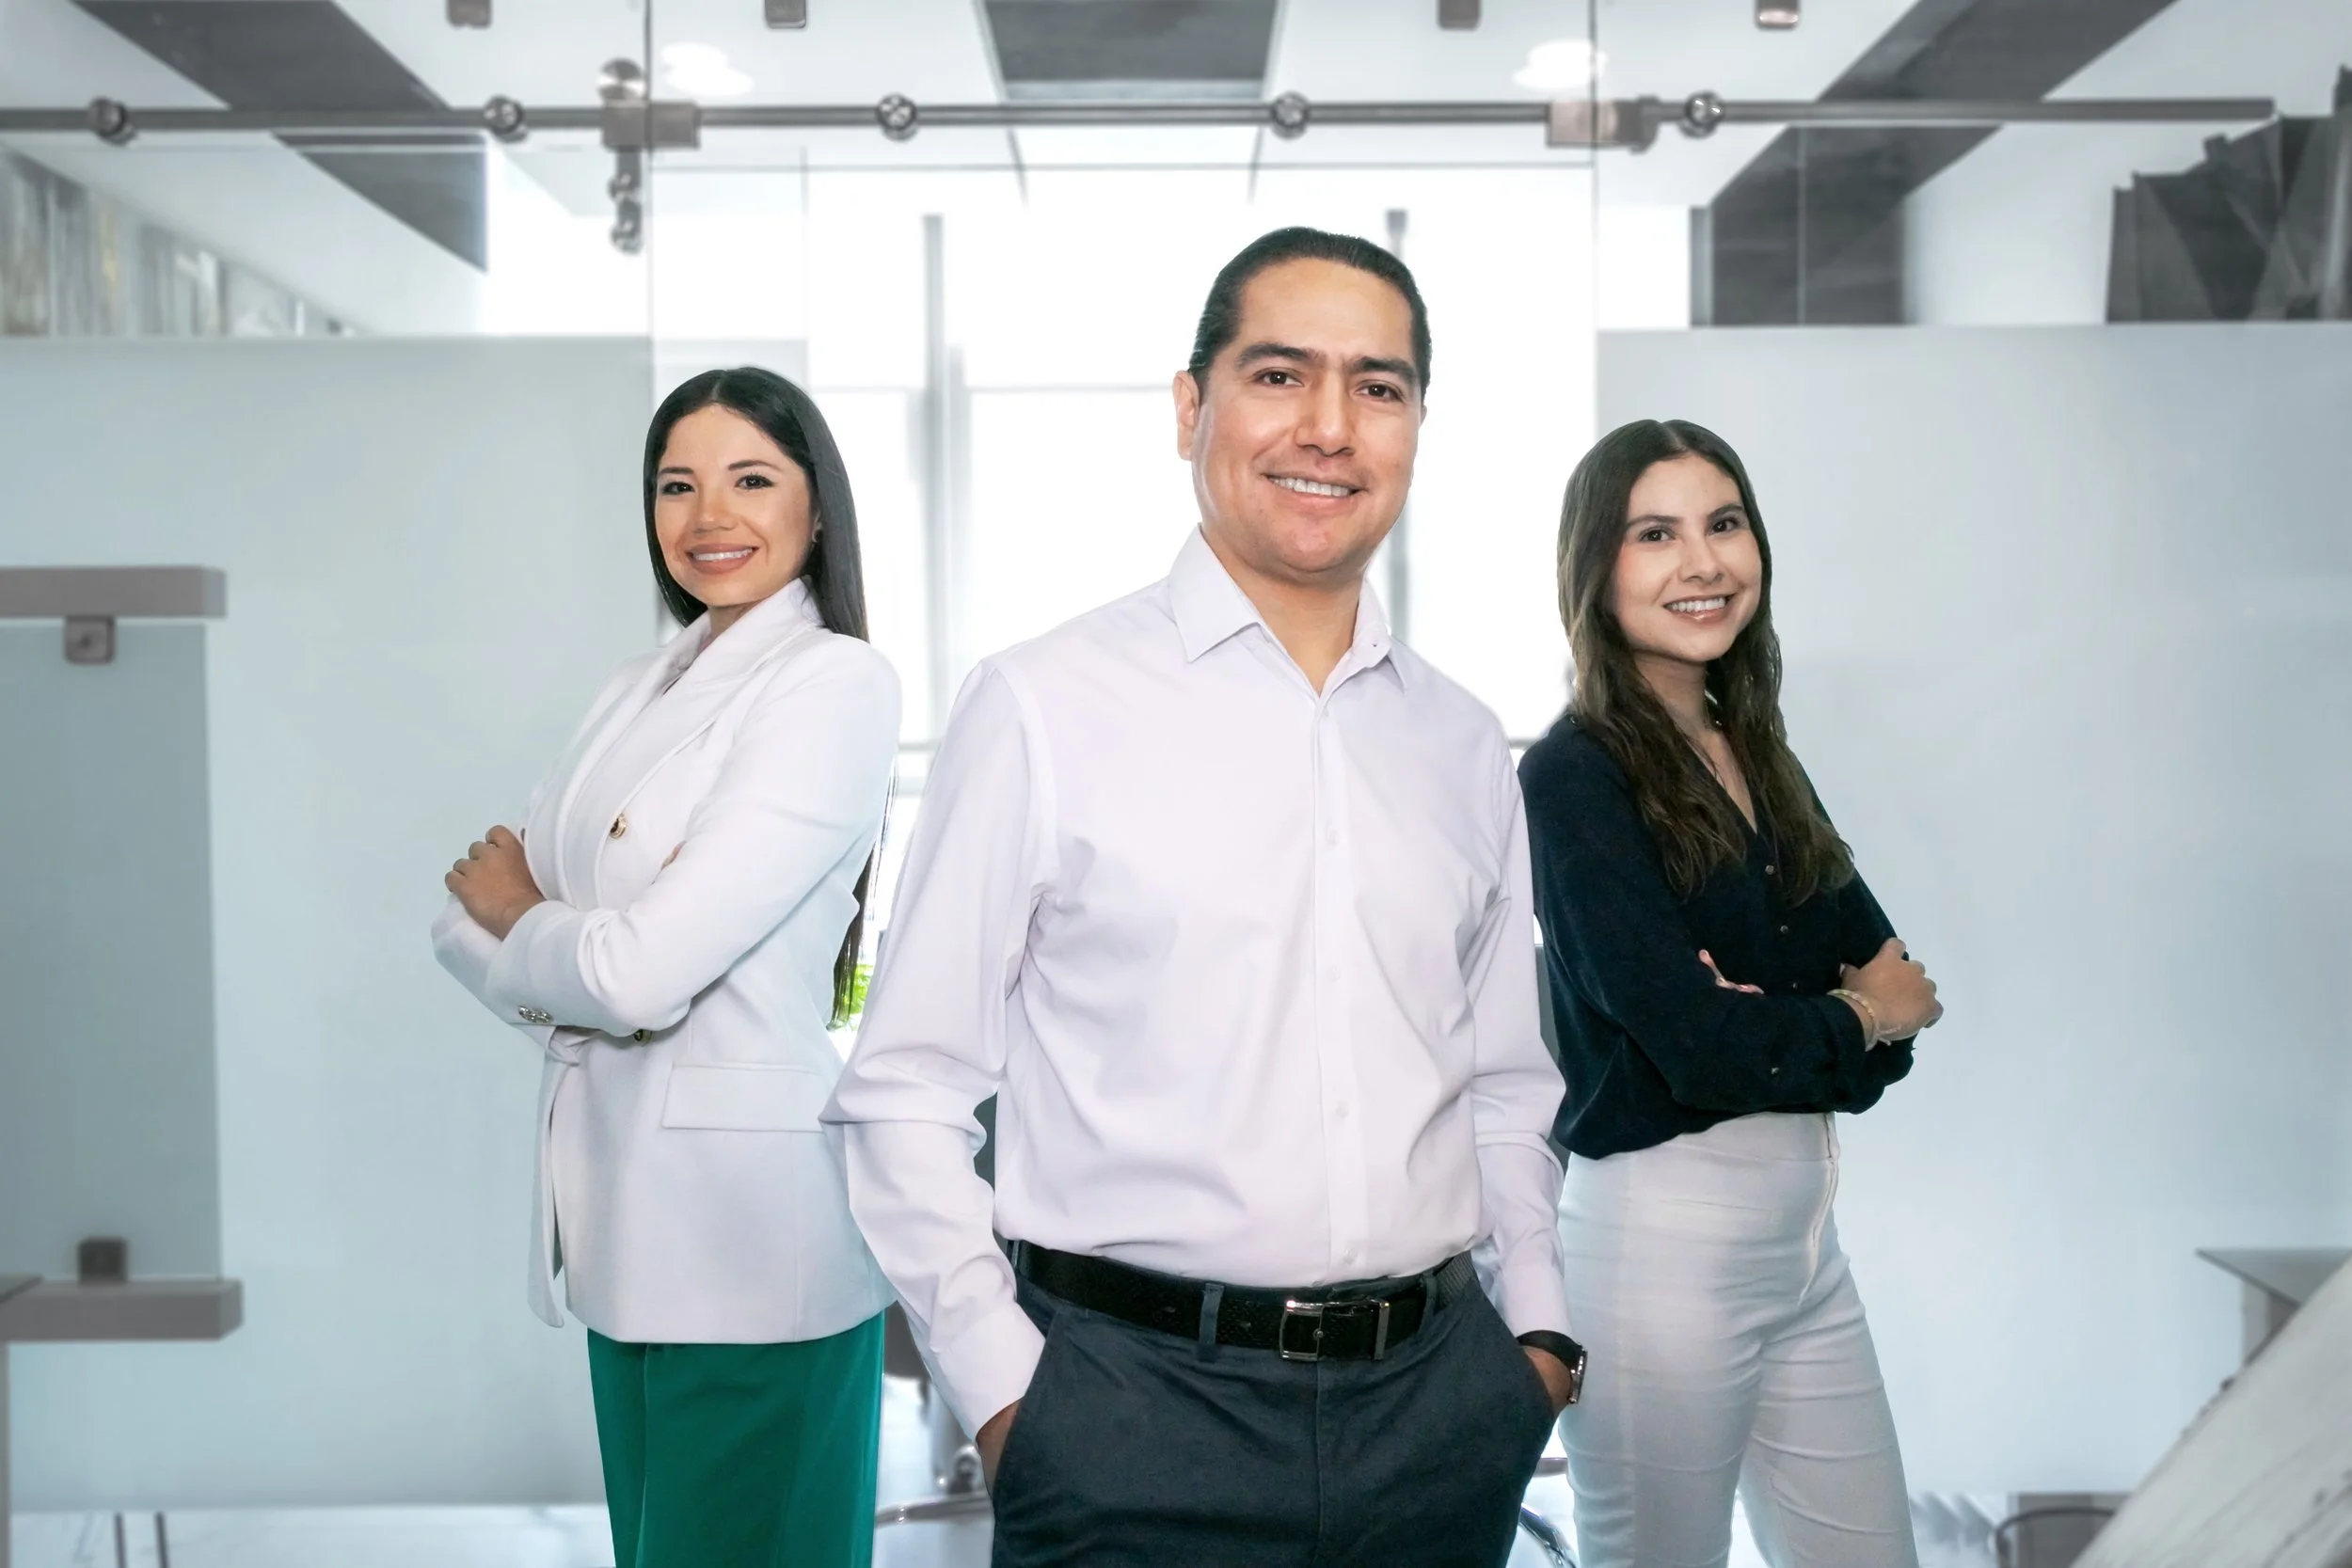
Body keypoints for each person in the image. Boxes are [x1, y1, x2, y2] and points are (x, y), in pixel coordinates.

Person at [822, 226, 1581, 1568]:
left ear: (1416, 425)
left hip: (1442, 1409)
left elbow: (1507, 1078)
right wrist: (1011, 1399)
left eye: (1381, 386)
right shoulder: (1042, 703)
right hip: (1128, 1418)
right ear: (1192, 409)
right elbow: (906, 1086)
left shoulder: (1461, 739)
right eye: (1281, 374)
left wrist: (1537, 1335)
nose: (1332, 426)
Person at [431, 367, 899, 1568]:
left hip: (749, 1249)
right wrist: (567, 945)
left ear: (816, 507)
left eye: (752, 479)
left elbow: (633, 975)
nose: (709, 516)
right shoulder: (634, 688)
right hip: (620, 1224)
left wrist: (545, 928)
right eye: (676, 484)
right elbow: (462, 921)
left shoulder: (832, 683)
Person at [1518, 418, 1942, 1568]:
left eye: (1723, 522)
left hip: (1805, 1246)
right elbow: (1700, 1046)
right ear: (1595, 565)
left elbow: (1905, 990)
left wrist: (1823, 1023)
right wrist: (1849, 1016)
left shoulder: (1750, 742)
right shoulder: (1573, 775)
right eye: (1654, 533)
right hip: (1663, 1252)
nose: (1702, 562)